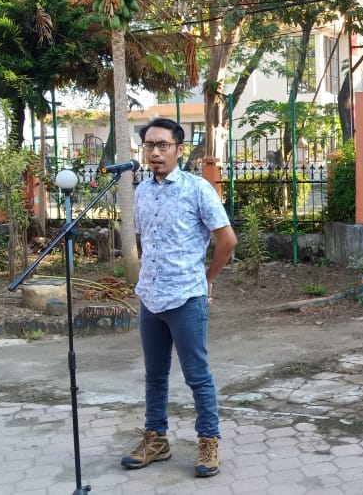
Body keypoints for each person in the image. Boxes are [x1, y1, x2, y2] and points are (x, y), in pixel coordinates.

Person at [121, 117, 237, 478]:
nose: (155, 152)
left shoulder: (197, 189)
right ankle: (156, 439)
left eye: (163, 145)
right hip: (150, 298)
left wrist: (207, 279)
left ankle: (208, 441)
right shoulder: (142, 191)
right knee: (155, 374)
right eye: (149, 145)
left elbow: (227, 240)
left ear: (179, 150)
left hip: (186, 297)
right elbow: (145, 240)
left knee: (197, 375)